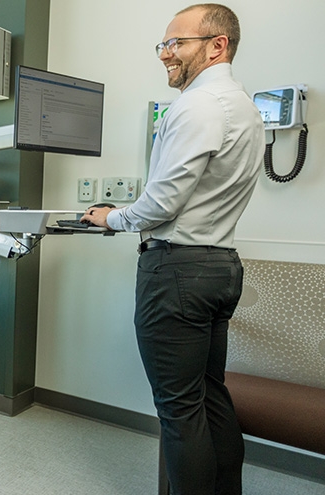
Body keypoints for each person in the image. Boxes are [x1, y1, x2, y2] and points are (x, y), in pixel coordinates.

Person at [82, 4, 264, 494]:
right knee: (209, 397)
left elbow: (162, 202)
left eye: (176, 43)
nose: (165, 54)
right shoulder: (245, 107)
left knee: (179, 410)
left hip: (179, 271)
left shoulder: (198, 105)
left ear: (217, 45)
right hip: (221, 267)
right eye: (163, 44)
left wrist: (112, 217)